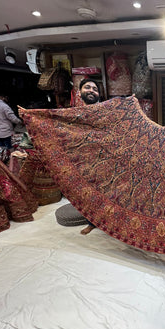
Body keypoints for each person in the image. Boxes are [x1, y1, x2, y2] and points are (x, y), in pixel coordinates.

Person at [76, 78, 100, 234]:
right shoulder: (72, 115)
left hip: (107, 159)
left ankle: (114, 223)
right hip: (84, 161)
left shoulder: (107, 111)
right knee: (88, 195)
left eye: (95, 89)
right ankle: (91, 222)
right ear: (79, 92)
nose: (91, 90)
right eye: (87, 87)